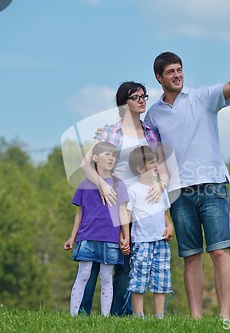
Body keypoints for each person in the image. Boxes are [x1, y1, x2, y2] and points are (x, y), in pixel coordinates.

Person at [143, 49, 230, 319]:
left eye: (179, 70)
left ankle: (224, 317)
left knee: (220, 252)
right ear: (159, 78)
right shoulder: (153, 115)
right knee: (190, 256)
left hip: (212, 185)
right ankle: (196, 319)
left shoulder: (202, 98)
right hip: (178, 192)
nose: (177, 75)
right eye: (170, 72)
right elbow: (149, 153)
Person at [82, 81, 171, 316]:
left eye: (144, 96)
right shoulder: (109, 132)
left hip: (142, 208)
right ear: (124, 103)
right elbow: (86, 165)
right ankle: (82, 312)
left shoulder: (152, 135)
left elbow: (163, 171)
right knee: (98, 261)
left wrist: (161, 186)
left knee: (129, 263)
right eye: (135, 97)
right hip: (111, 204)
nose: (142, 100)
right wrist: (101, 184)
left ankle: (121, 315)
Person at [63, 141, 130, 317]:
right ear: (95, 158)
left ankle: (105, 317)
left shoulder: (119, 184)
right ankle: (74, 315)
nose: (111, 158)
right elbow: (79, 213)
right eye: (106, 154)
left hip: (110, 239)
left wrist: (126, 235)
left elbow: (123, 212)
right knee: (83, 275)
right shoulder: (84, 184)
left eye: (114, 155)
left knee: (107, 278)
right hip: (86, 237)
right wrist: (72, 236)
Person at [126, 145, 174, 319]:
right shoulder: (133, 190)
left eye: (156, 163)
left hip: (161, 241)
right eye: (151, 163)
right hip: (142, 241)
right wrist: (124, 236)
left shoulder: (160, 190)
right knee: (139, 278)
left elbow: (164, 213)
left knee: (161, 279)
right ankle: (138, 315)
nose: (156, 166)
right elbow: (127, 215)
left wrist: (170, 226)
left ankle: (159, 316)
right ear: (139, 168)